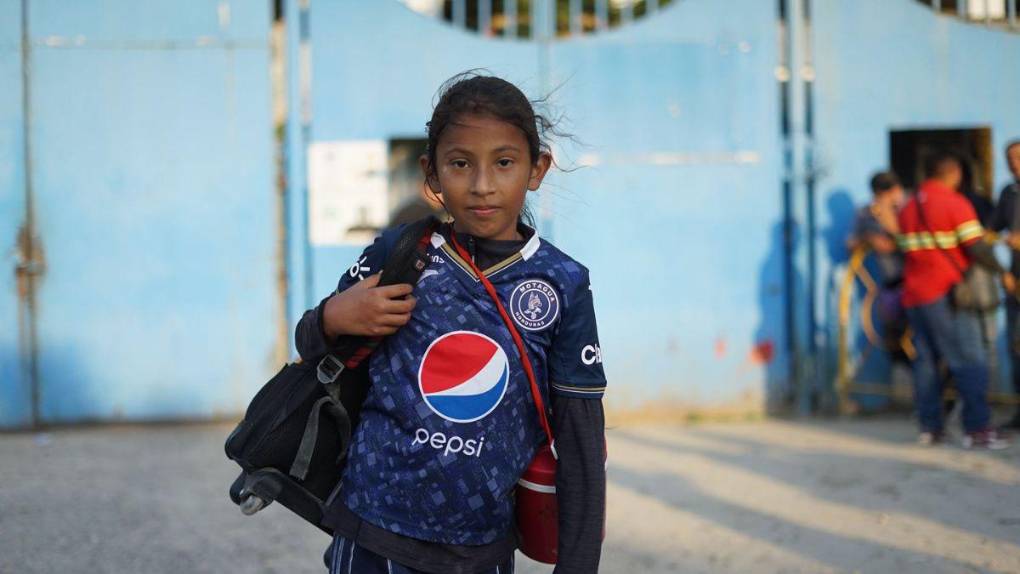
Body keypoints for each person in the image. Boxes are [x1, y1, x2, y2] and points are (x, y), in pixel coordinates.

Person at [296, 73, 607, 573]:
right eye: (461, 164)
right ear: (433, 174)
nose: (483, 185)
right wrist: (335, 315)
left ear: (537, 168)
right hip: (371, 531)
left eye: (504, 163)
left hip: (481, 547)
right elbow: (309, 343)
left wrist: (577, 567)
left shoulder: (562, 284)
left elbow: (582, 439)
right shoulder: (399, 254)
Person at [896, 151, 1012, 449]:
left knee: (925, 363)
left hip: (914, 296)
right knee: (970, 358)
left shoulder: (908, 206)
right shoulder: (954, 202)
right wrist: (1004, 274)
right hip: (947, 295)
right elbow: (977, 247)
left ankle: (930, 429)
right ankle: (977, 429)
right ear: (954, 173)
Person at [990, 139, 1020, 430]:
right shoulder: (1009, 194)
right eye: (1009, 158)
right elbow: (991, 230)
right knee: (1015, 347)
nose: (1014, 163)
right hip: (1015, 282)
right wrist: (1001, 272)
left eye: (1018, 157)